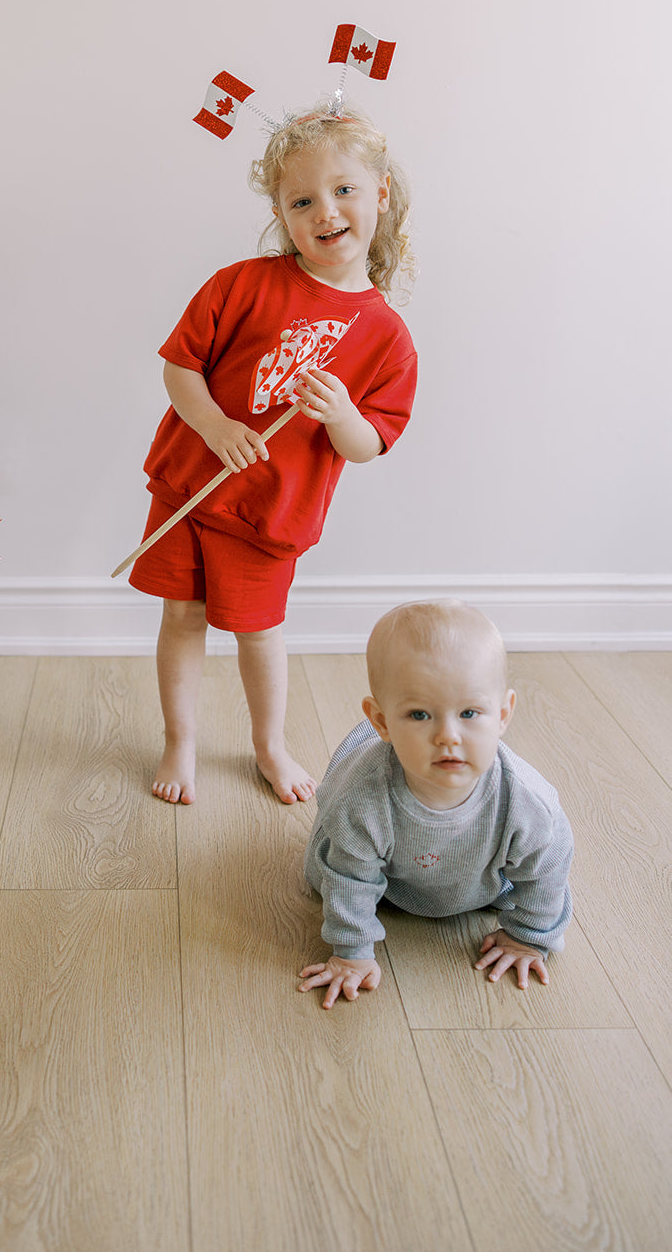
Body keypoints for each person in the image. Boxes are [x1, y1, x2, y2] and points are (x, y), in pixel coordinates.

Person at [130, 103, 417, 806]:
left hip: (267, 514)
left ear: (379, 194)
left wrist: (343, 414)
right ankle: (179, 739)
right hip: (190, 487)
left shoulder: (386, 336)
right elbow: (180, 367)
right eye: (301, 200)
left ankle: (268, 744)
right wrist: (213, 426)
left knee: (258, 633)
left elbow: (369, 445)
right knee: (180, 616)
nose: (325, 211)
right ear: (281, 214)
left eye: (343, 189)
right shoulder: (241, 283)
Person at [299, 600, 573, 1008]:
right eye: (419, 715)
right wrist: (352, 953)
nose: (448, 735)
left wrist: (528, 937)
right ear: (381, 721)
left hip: (480, 880)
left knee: (532, 867)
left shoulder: (525, 801)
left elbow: (548, 868)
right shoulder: (361, 800)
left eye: (469, 713)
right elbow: (349, 880)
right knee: (327, 870)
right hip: (386, 882)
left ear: (503, 714)